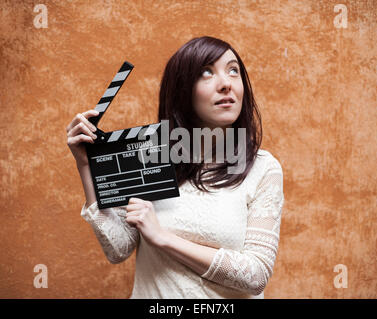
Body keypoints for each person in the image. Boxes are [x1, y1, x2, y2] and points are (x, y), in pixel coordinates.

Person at [66, 36, 284, 298]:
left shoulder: (263, 168)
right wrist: (86, 165)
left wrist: (163, 238)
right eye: (207, 72)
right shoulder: (151, 158)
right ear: (183, 89)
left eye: (233, 70)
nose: (226, 83)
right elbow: (118, 249)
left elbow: (256, 274)